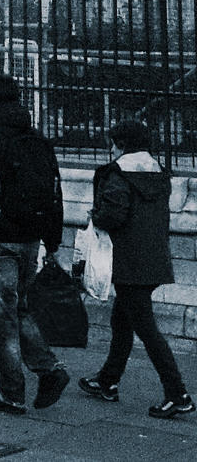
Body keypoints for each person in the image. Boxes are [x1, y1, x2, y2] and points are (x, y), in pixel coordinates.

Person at [0, 74, 68, 414]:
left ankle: (11, 392)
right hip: (32, 237)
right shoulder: (38, 140)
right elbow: (55, 190)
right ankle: (48, 370)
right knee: (20, 309)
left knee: (2, 318)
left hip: (1, 238)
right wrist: (53, 239)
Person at [79, 118, 194, 419]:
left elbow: (113, 216)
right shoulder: (158, 173)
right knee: (122, 322)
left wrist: (96, 214)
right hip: (152, 260)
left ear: (122, 144)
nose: (112, 149)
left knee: (146, 329)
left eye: (114, 144)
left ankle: (177, 393)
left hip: (128, 262)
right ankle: (107, 381)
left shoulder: (118, 175)